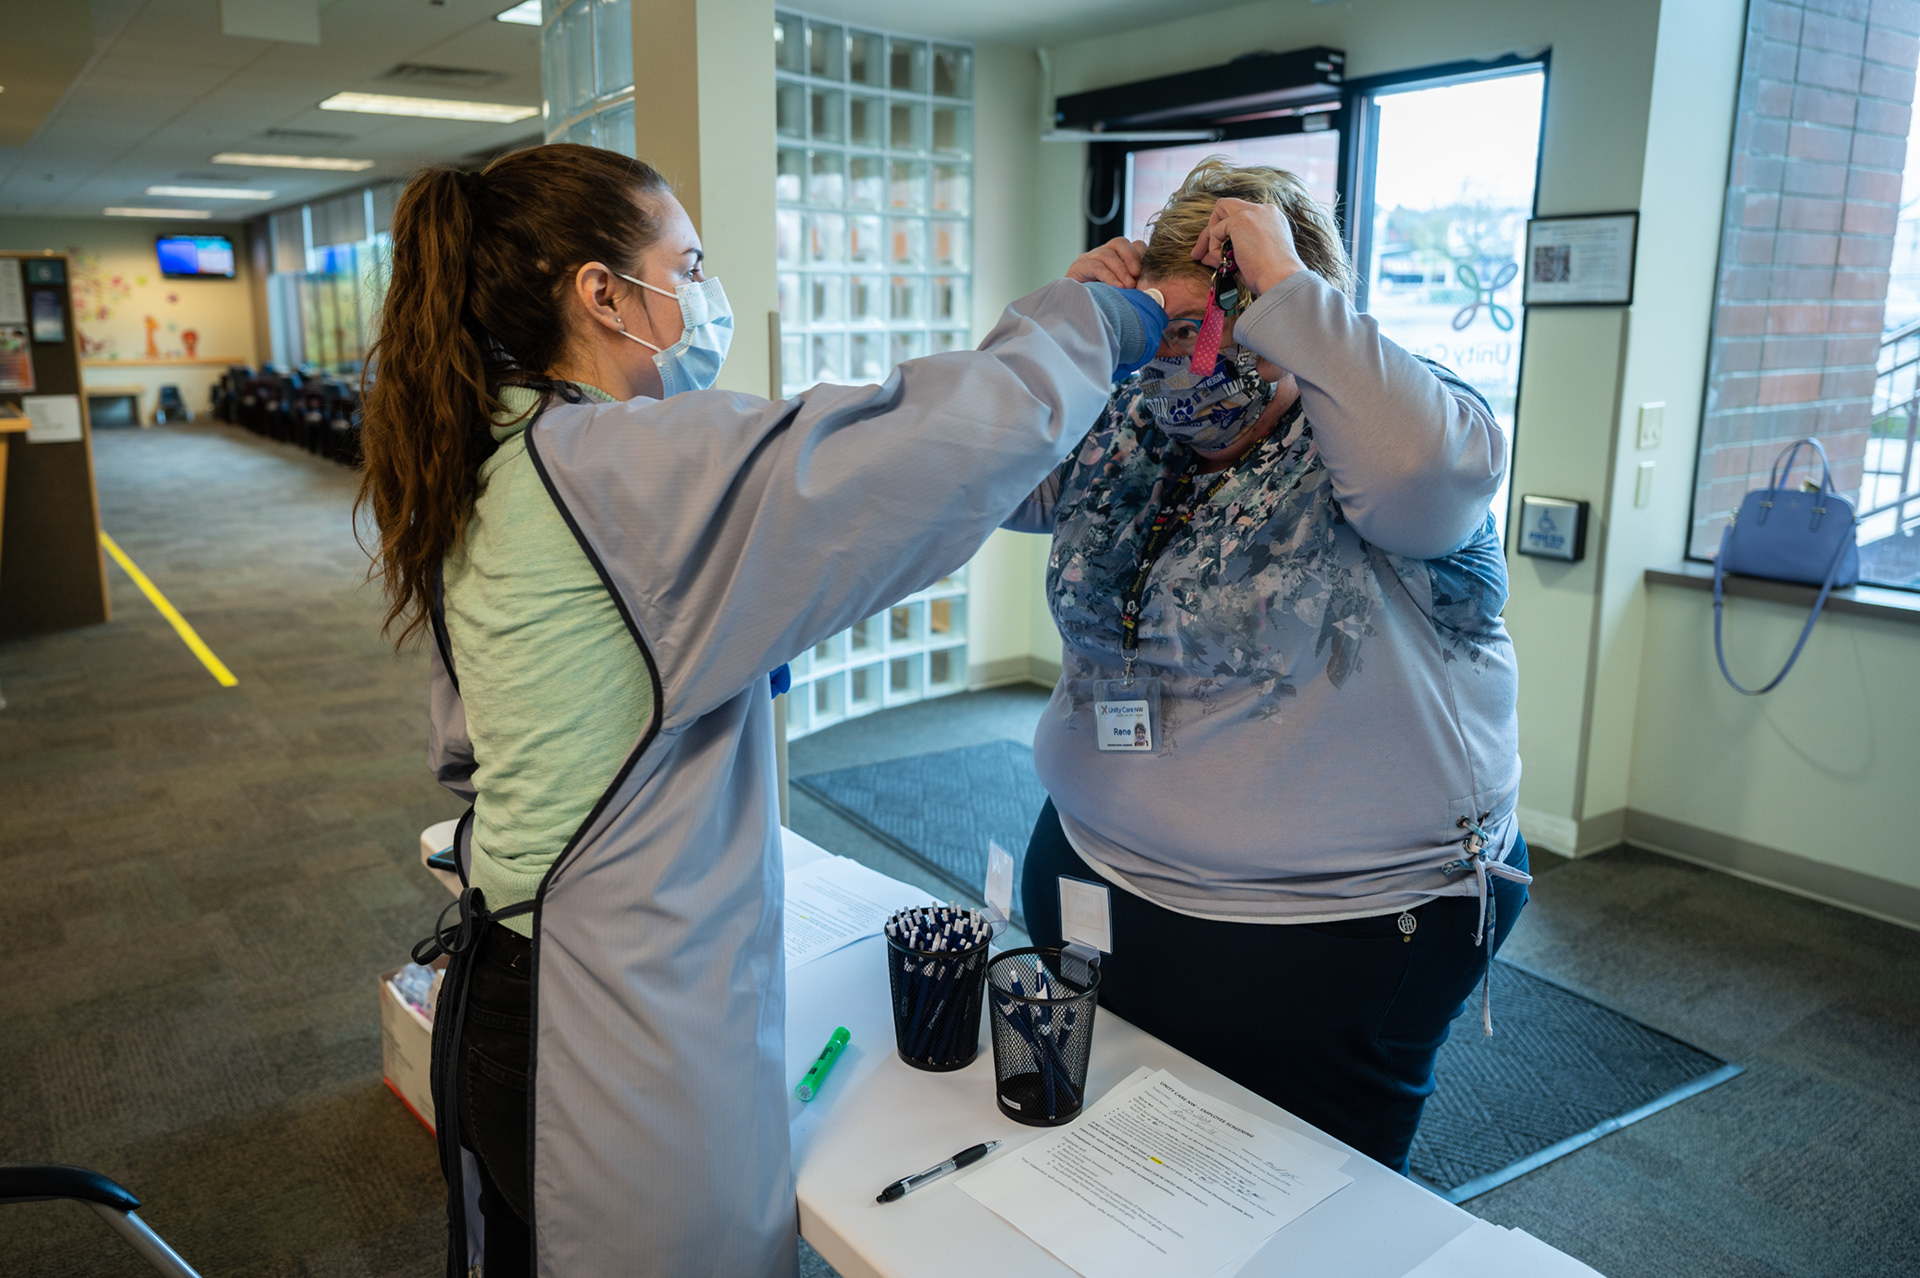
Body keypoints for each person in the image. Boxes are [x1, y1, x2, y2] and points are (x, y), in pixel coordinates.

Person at [356, 143, 1165, 1278]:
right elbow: (922, 451)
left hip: (510, 984)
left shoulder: (502, 453)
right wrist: (1098, 322)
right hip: (605, 1023)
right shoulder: (619, 466)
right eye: (687, 267)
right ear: (601, 293)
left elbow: (473, 748)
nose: (704, 293)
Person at [1006, 159, 1529, 1175]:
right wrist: (1066, 328)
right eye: (1167, 333)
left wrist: (1285, 287)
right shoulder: (1127, 420)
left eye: (1218, 331)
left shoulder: (1396, 424)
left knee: (1294, 1207)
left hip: (1335, 930)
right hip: (1098, 870)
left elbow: (1423, 479)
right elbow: (982, 472)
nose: (1189, 368)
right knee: (1106, 1180)